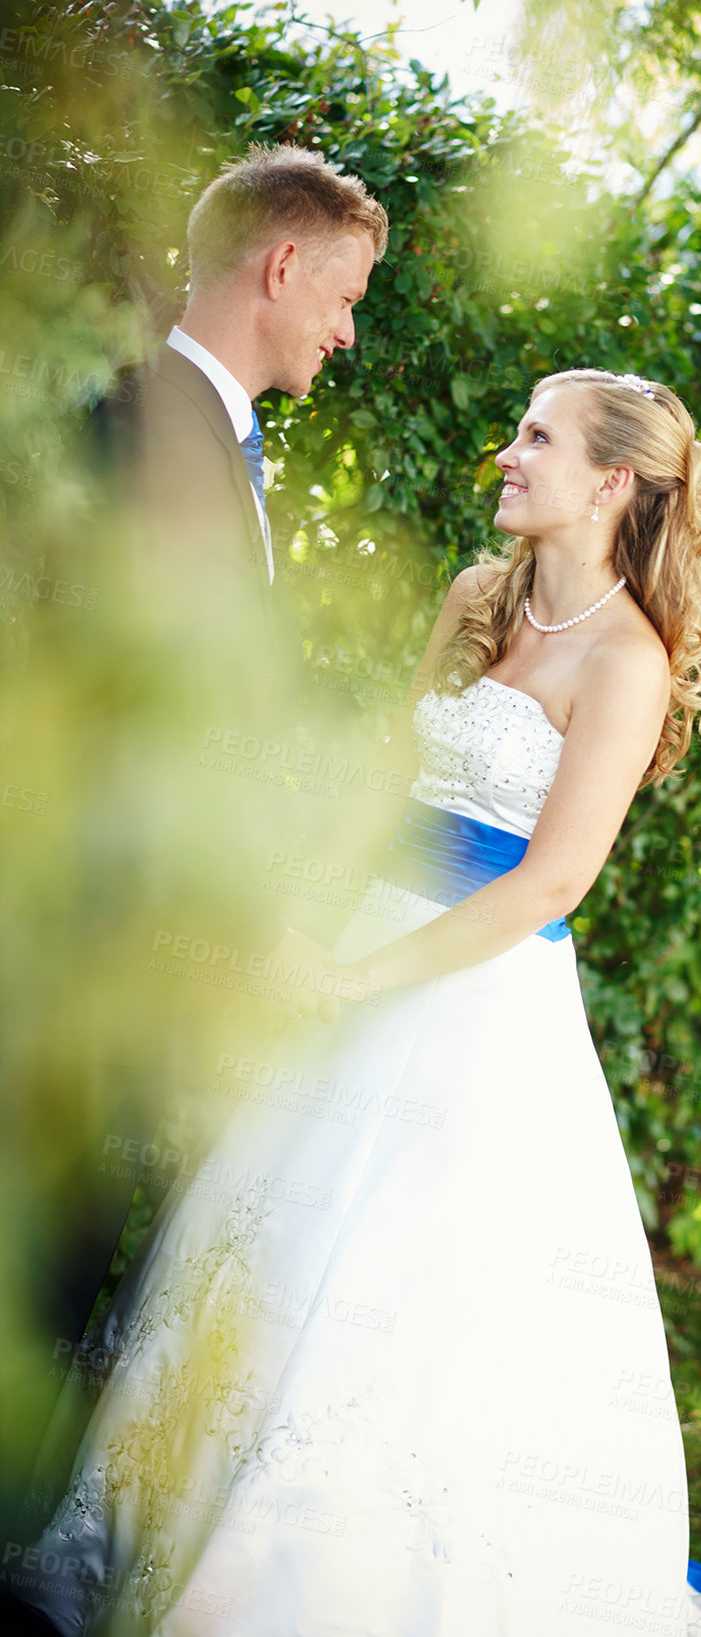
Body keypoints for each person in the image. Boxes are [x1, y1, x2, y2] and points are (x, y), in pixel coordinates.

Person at [8, 369, 701, 1637]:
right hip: (355, 945)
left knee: (403, 1286)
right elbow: (388, 778)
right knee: (255, 1241)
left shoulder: (627, 660)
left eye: (537, 437)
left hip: (473, 1001)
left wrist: (360, 979)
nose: (507, 454)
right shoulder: (479, 597)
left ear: (612, 481)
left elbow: (552, 877)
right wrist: (313, 923)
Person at [12, 144, 390, 1535]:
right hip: (88, 945)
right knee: (43, 1267)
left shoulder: (213, 444)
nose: (346, 332)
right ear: (280, 266)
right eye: (344, 295)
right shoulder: (139, 428)